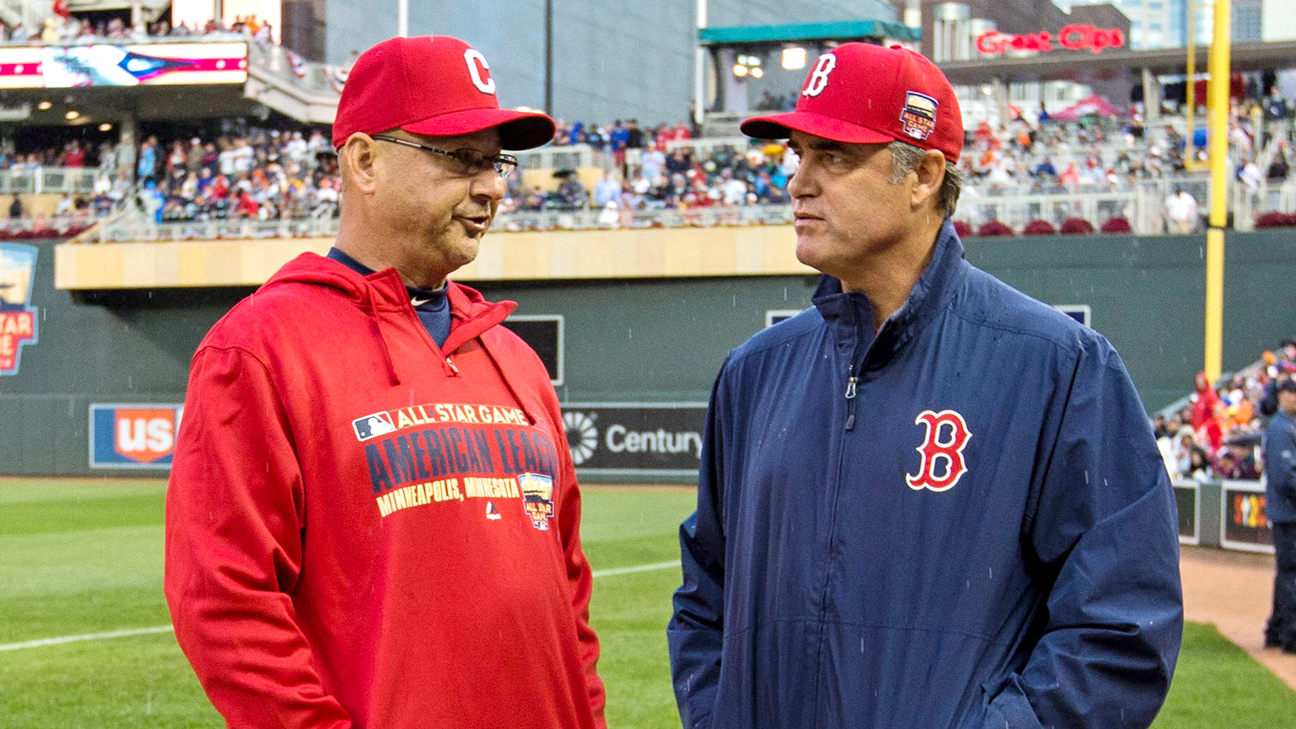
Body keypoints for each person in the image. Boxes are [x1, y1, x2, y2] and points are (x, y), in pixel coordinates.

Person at [668, 42, 1182, 729]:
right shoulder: (754, 372)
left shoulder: (1059, 366)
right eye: (799, 155)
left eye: (835, 157)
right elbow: (705, 599)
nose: (798, 183)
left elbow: (1122, 627)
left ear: (923, 176)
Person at [164, 36, 606, 729]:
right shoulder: (257, 349)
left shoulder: (514, 358)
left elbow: (569, 597)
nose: (491, 186)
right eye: (462, 159)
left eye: (497, 162)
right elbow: (226, 603)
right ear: (365, 160)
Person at [1264, 379, 1296, 654]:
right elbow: (1285, 478)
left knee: (1287, 573)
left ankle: (1276, 630)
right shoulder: (1280, 428)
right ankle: (1290, 635)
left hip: (1287, 512)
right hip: (1288, 513)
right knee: (1290, 574)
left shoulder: (1287, 426)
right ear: (1283, 395)